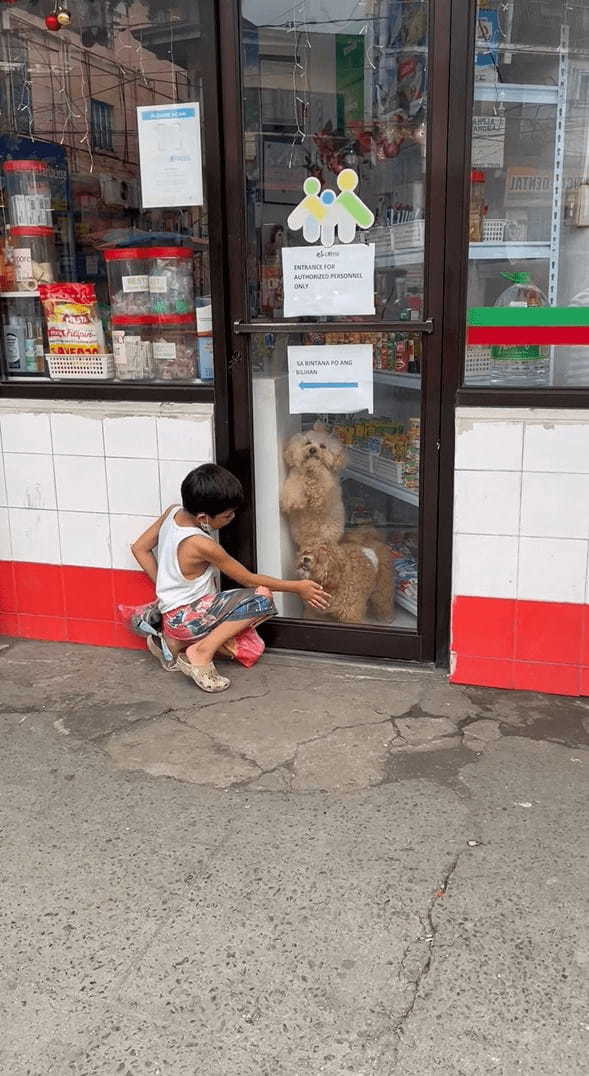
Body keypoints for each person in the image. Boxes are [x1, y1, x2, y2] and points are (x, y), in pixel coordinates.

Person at [131, 463, 330, 694]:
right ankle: (200, 653)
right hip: (187, 618)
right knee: (261, 599)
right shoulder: (201, 544)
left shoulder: (173, 512)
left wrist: (165, 585)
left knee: (251, 650)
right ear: (204, 517)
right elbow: (249, 579)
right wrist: (297, 587)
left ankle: (174, 642)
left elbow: (139, 548)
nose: (233, 518)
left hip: (171, 615)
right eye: (227, 515)